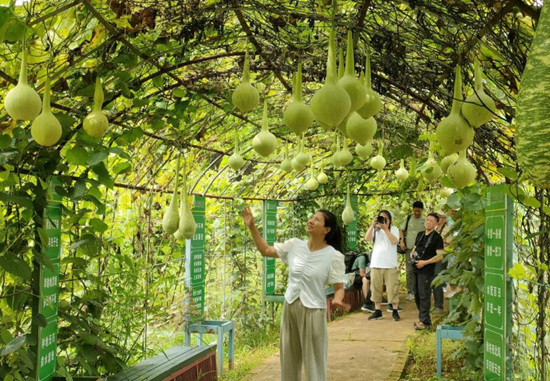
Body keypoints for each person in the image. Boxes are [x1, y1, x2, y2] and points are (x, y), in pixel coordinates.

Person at [242, 206, 350, 381]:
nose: (311, 220)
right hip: (290, 306)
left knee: (314, 362)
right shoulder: (294, 245)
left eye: (317, 219)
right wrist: (252, 226)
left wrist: (338, 300)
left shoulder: (333, 256)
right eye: (311, 217)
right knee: (288, 360)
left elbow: (339, 287)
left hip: (314, 311)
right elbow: (266, 251)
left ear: (326, 229)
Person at [410, 213, 445, 330]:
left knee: (424, 295)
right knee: (416, 294)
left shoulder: (437, 237)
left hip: (427, 270)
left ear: (436, 224)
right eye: (427, 220)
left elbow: (440, 256)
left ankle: (424, 322)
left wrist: (425, 262)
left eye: (431, 221)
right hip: (416, 267)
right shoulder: (420, 235)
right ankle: (424, 319)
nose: (428, 222)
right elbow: (415, 247)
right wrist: (412, 254)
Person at [364, 210, 401, 321]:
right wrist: (372, 225)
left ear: (389, 220)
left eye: (385, 218)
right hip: (376, 263)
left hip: (390, 264)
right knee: (375, 288)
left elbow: (394, 241)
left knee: (392, 288)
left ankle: (394, 311)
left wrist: (385, 229)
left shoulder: (394, 230)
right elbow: (367, 238)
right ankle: (378, 311)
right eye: (381, 218)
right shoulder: (375, 230)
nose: (383, 220)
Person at [399, 201, 426, 301]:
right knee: (409, 271)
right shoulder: (408, 219)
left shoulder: (425, 220)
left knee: (420, 270)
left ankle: (420, 291)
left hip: (421, 250)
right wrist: (402, 241)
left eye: (419, 211)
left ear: (422, 210)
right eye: (415, 211)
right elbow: (401, 230)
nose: (417, 213)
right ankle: (410, 291)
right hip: (409, 249)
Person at [432, 210, 451, 316]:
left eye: (439, 216)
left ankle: (439, 307)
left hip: (442, 257)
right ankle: (436, 305)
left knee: (438, 278)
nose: (438, 218)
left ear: (444, 218)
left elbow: (450, 243)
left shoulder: (448, 229)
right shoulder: (434, 228)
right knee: (433, 279)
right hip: (433, 257)